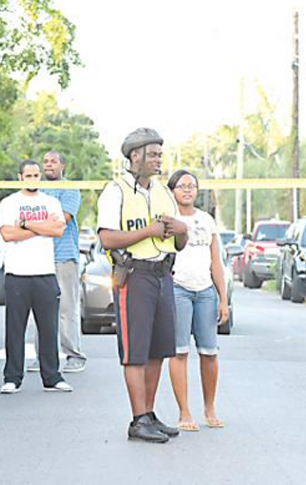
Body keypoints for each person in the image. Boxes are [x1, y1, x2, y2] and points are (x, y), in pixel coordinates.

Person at [97, 127, 188, 443]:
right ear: (135, 156)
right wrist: (148, 231)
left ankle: (149, 414)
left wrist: (181, 229)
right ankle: (137, 419)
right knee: (135, 351)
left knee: (158, 350)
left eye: (160, 154)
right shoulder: (116, 190)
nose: (158, 159)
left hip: (163, 274)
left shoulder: (163, 191)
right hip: (133, 276)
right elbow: (107, 237)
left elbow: (180, 241)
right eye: (152, 154)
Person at [0, 160, 71, 394]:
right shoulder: (9, 202)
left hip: (45, 273)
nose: (32, 178)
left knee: (49, 328)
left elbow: (58, 230)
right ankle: (12, 378)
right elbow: (8, 234)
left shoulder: (51, 202)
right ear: (20, 177)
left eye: (36, 174)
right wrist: (41, 227)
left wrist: (26, 224)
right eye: (28, 175)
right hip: (17, 274)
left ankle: (52, 377)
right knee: (15, 328)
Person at [166, 170, 228, 431]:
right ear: (172, 191)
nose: (188, 190)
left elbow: (216, 261)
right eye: (182, 186)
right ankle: (184, 412)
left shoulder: (206, 220)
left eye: (192, 186)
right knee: (180, 352)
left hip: (205, 292)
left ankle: (209, 408)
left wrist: (222, 298)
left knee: (209, 353)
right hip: (178, 289)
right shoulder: (167, 219)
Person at [29, 151, 85, 374]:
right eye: (45, 162)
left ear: (63, 165)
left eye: (53, 161)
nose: (48, 165)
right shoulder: (35, 190)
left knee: (67, 308)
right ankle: (42, 357)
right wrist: (42, 223)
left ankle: (74, 355)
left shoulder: (70, 188)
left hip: (64, 256)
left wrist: (32, 223)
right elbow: (24, 218)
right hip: (39, 257)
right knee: (40, 308)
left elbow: (63, 219)